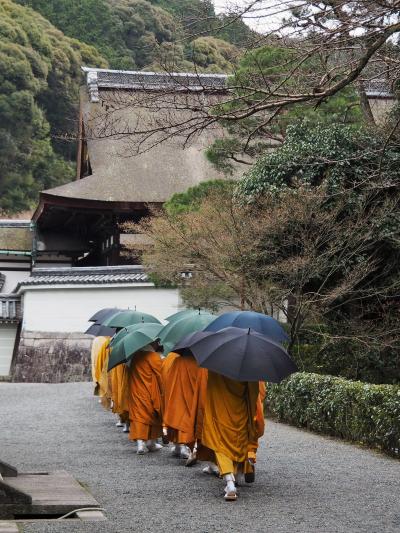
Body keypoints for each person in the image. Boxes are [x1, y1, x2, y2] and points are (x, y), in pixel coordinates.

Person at [197, 371, 261, 501]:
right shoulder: (249, 368)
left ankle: (230, 482)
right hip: (240, 412)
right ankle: (237, 475)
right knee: (239, 443)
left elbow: (209, 389)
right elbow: (254, 395)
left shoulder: (216, 366)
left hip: (220, 413)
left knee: (221, 447)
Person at [162, 352, 207, 461]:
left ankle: (180, 446)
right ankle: (190, 447)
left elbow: (169, 379)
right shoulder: (201, 362)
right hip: (195, 395)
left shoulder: (177, 361)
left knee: (180, 419)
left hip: (179, 394)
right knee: (192, 421)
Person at [127, 343, 164, 454]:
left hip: (136, 390)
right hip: (150, 391)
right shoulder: (153, 356)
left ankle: (140, 444)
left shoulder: (135, 356)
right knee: (152, 415)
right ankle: (150, 443)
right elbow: (161, 374)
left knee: (138, 416)